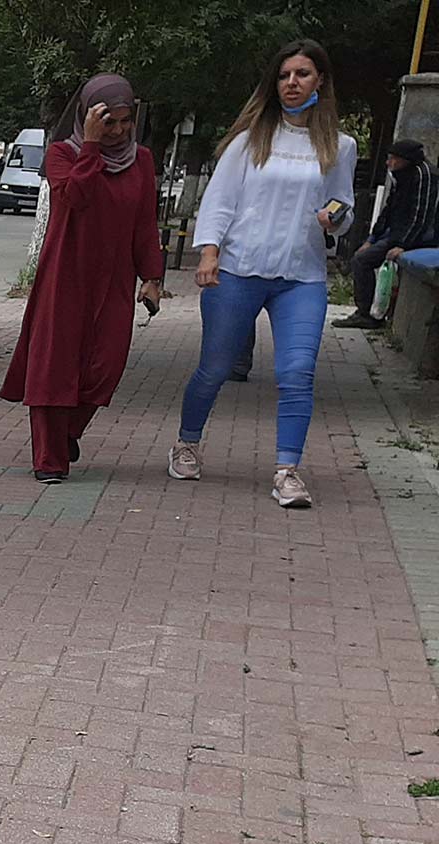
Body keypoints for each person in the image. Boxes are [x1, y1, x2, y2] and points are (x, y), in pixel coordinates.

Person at [169, 40, 356, 509]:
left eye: (303, 74)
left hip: (302, 276)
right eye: (284, 75)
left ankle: (287, 471)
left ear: (321, 82)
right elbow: (219, 201)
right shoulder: (250, 139)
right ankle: (187, 443)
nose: (292, 83)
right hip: (238, 269)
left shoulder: (340, 145)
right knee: (215, 367)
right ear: (274, 84)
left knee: (297, 372)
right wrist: (209, 254)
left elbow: (344, 206)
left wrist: (336, 218)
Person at [0, 74, 163, 483]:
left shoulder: (140, 160)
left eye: (126, 121)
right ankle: (49, 458)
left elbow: (145, 224)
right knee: (54, 367)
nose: (120, 131)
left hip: (115, 279)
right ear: (88, 117)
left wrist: (152, 276)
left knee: (106, 365)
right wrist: (90, 146)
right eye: (109, 122)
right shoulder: (62, 154)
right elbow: (74, 199)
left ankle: (69, 431)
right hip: (65, 276)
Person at [334, 139, 436, 329]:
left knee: (362, 260)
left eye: (393, 159)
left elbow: (420, 215)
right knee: (360, 256)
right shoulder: (401, 175)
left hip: (417, 237)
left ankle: (367, 315)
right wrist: (372, 238)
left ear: (405, 159)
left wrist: (402, 244)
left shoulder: (424, 176)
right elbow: (389, 209)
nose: (389, 163)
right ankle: (365, 310)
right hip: (396, 232)